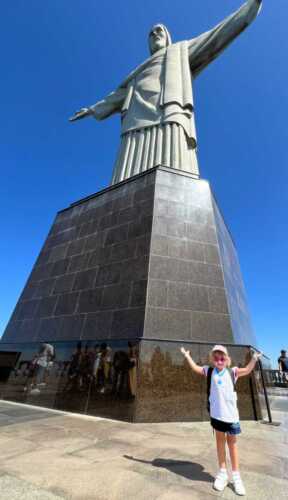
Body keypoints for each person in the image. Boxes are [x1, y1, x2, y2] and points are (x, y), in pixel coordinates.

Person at [70, 1, 262, 185]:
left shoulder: (180, 51)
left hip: (168, 110)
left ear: (167, 35)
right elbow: (115, 97)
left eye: (159, 30)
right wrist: (92, 110)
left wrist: (250, 7)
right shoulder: (135, 74)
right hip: (135, 120)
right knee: (127, 169)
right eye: (151, 33)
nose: (155, 34)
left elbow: (216, 36)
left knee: (174, 163)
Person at [180, 344, 262, 496]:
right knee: (219, 444)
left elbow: (248, 370)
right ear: (213, 359)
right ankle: (223, 473)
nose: (219, 359)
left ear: (227, 359)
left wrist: (254, 359)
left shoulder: (233, 372)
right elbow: (196, 368)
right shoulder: (209, 371)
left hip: (231, 417)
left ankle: (237, 478)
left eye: (222, 357)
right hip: (217, 416)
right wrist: (187, 357)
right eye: (216, 357)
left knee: (232, 445)